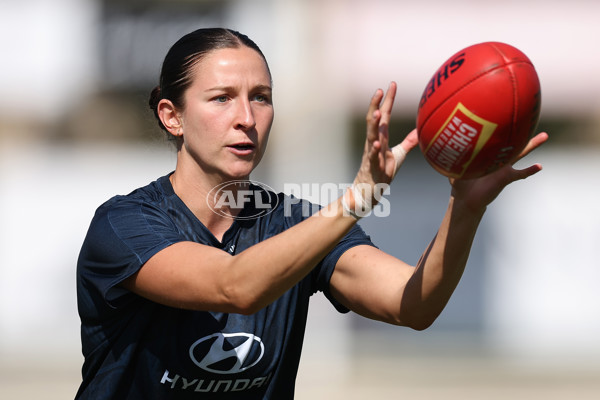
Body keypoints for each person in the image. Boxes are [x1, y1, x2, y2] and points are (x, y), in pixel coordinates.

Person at [75, 28, 548, 399]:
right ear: (171, 115)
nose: (246, 116)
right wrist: (357, 197)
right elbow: (234, 286)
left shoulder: (297, 225)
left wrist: (464, 206)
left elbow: (413, 305)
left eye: (260, 96)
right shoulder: (124, 226)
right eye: (221, 98)